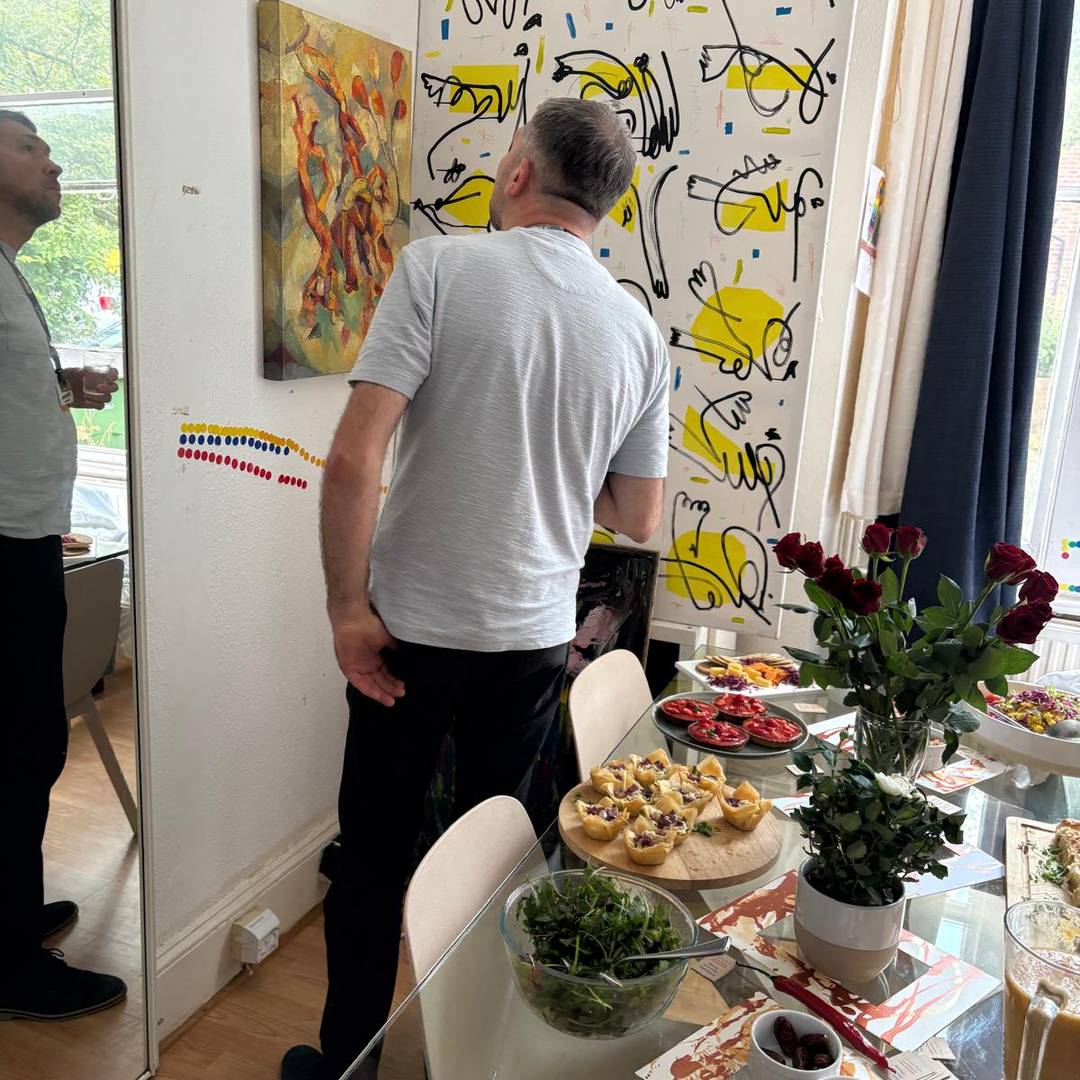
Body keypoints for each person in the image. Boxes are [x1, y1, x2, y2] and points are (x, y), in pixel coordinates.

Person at [283, 98, 670, 1080]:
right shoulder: (636, 330)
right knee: (494, 865)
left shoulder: (439, 269)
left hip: (407, 635)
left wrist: (345, 611)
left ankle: (347, 1064)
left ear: (518, 172)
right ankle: (468, 1062)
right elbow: (639, 514)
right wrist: (556, 461)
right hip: (532, 640)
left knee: (372, 863)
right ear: (607, 204)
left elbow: (353, 459)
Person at [0, 110, 126, 1021]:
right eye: (28, 146)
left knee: (29, 744)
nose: (52, 163)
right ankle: (10, 967)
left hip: (29, 539)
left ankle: (7, 918)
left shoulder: (9, 270)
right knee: (19, 750)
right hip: (3, 550)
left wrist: (58, 387)